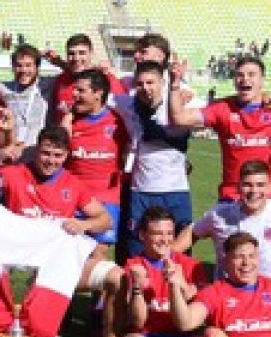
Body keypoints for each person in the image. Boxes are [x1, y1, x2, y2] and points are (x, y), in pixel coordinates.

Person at [0, 124, 124, 337]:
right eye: (45, 153)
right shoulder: (14, 174)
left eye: (57, 155)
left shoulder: (73, 185)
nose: (50, 161)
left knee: (117, 277)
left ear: (66, 156)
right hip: (18, 267)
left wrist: (84, 224)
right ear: (36, 151)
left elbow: (105, 220)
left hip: (58, 266)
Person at [93, 207, 208, 337]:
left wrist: (181, 285)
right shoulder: (134, 266)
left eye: (169, 233)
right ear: (142, 235)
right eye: (157, 233)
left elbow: (201, 310)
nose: (165, 239)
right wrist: (137, 289)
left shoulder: (191, 266)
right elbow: (138, 321)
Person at [112, 60, 193, 256]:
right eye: (140, 83)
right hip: (141, 191)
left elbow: (214, 106)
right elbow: (97, 94)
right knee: (137, 249)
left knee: (179, 250)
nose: (145, 88)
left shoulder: (178, 103)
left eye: (150, 82)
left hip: (176, 190)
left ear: (162, 83)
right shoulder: (127, 103)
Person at [168, 55, 271, 200]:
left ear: (262, 80)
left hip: (266, 198)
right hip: (232, 197)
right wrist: (175, 85)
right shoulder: (222, 108)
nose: (245, 79)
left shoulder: (268, 108)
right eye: (240, 75)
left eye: (251, 74)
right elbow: (179, 118)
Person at [64, 69, 128, 248]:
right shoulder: (69, 121)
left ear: (98, 94)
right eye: (74, 90)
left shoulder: (119, 122)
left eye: (81, 91)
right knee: (69, 250)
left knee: (99, 252)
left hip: (106, 199)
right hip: (74, 196)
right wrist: (65, 129)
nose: (74, 94)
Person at [175, 160, 271, 278]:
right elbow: (192, 231)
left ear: (269, 188)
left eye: (260, 185)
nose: (254, 191)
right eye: (247, 185)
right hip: (226, 288)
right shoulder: (220, 214)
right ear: (238, 187)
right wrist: (167, 257)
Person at [0, 44, 54, 155]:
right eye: (19, 65)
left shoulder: (48, 84)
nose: (23, 70)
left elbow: (76, 74)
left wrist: (57, 60)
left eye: (28, 65)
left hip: (37, 152)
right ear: (13, 67)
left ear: (37, 67)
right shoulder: (3, 88)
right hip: (12, 152)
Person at [45, 33, 125, 119]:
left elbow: (123, 114)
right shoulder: (60, 80)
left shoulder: (108, 80)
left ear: (91, 54)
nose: (76, 58)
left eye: (82, 53)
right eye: (71, 53)